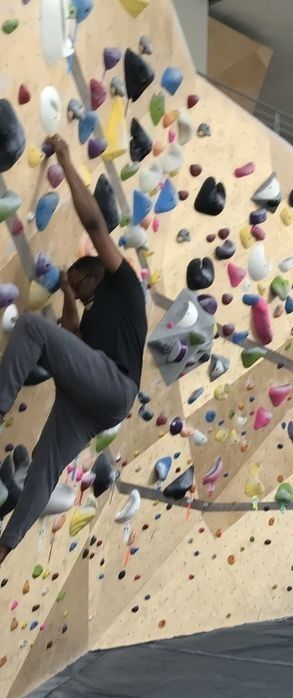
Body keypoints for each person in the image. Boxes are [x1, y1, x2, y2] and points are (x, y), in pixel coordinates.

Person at [0, 133, 145, 569]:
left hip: (113, 385)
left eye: (81, 287)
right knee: (44, 467)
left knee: (30, 326)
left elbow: (96, 225)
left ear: (95, 275)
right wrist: (66, 290)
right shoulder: (91, 309)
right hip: (97, 403)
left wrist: (64, 156)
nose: (79, 297)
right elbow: (73, 335)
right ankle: (5, 548)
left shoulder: (123, 285)